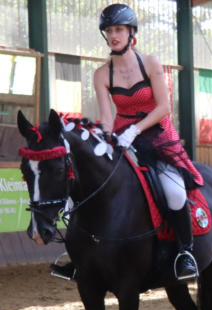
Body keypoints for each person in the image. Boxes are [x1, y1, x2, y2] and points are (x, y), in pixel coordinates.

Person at [51, 3, 201, 281]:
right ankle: (78, 254)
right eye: (109, 31)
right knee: (91, 180)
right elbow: (107, 116)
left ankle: (185, 252)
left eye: (118, 30)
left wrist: (136, 130)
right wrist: (107, 136)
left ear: (131, 32)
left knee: (175, 192)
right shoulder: (101, 74)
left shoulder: (151, 63)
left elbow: (164, 107)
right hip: (122, 136)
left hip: (158, 135)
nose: (113, 35)